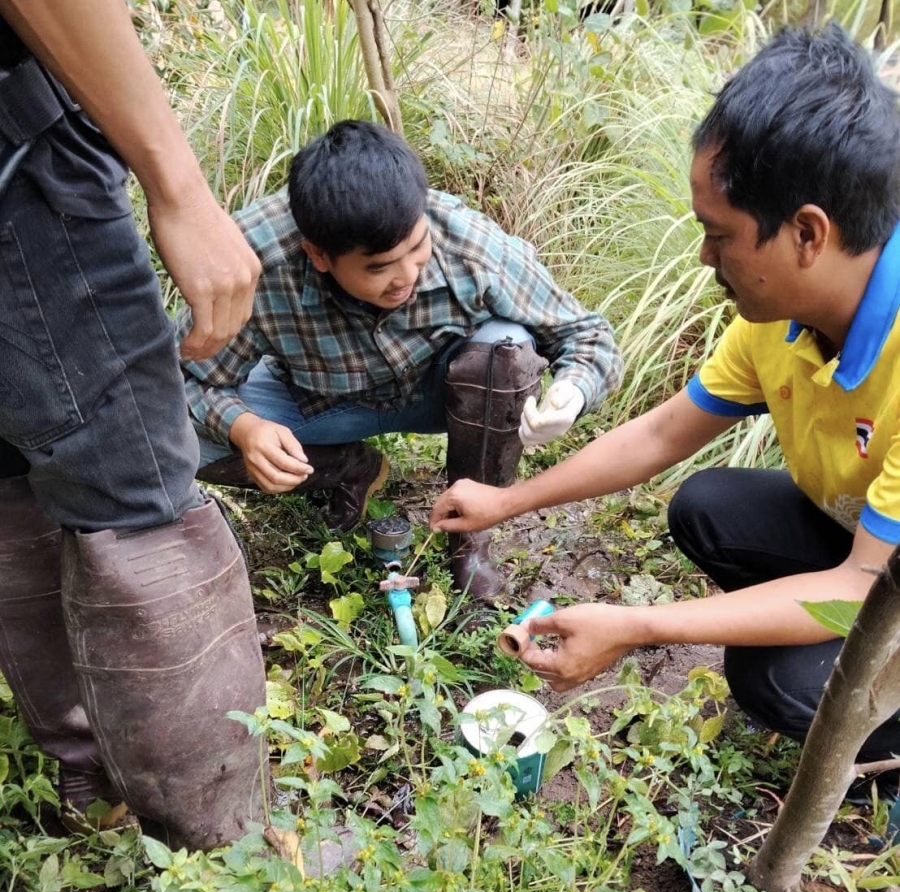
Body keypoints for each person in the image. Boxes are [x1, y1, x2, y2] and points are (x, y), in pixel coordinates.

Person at [430, 23, 900, 765]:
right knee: (707, 507)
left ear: (807, 233)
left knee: (772, 679)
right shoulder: (784, 317)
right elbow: (661, 436)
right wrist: (504, 501)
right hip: (874, 541)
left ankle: (878, 755)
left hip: (877, 572)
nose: (705, 257)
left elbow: (858, 588)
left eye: (720, 235)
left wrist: (638, 625)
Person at [0, 0, 268, 847]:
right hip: (17, 159)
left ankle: (89, 773)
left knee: (13, 471)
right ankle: (223, 845)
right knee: (139, 489)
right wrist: (179, 187)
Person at [180, 119, 623, 599]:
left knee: (506, 349)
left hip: (441, 391)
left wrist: (572, 391)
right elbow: (181, 380)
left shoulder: (465, 241)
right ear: (319, 255)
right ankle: (347, 467)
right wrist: (245, 428)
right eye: (378, 267)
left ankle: (469, 542)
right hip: (321, 400)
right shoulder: (254, 261)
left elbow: (587, 333)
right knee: (171, 437)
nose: (405, 275)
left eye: (416, 249)